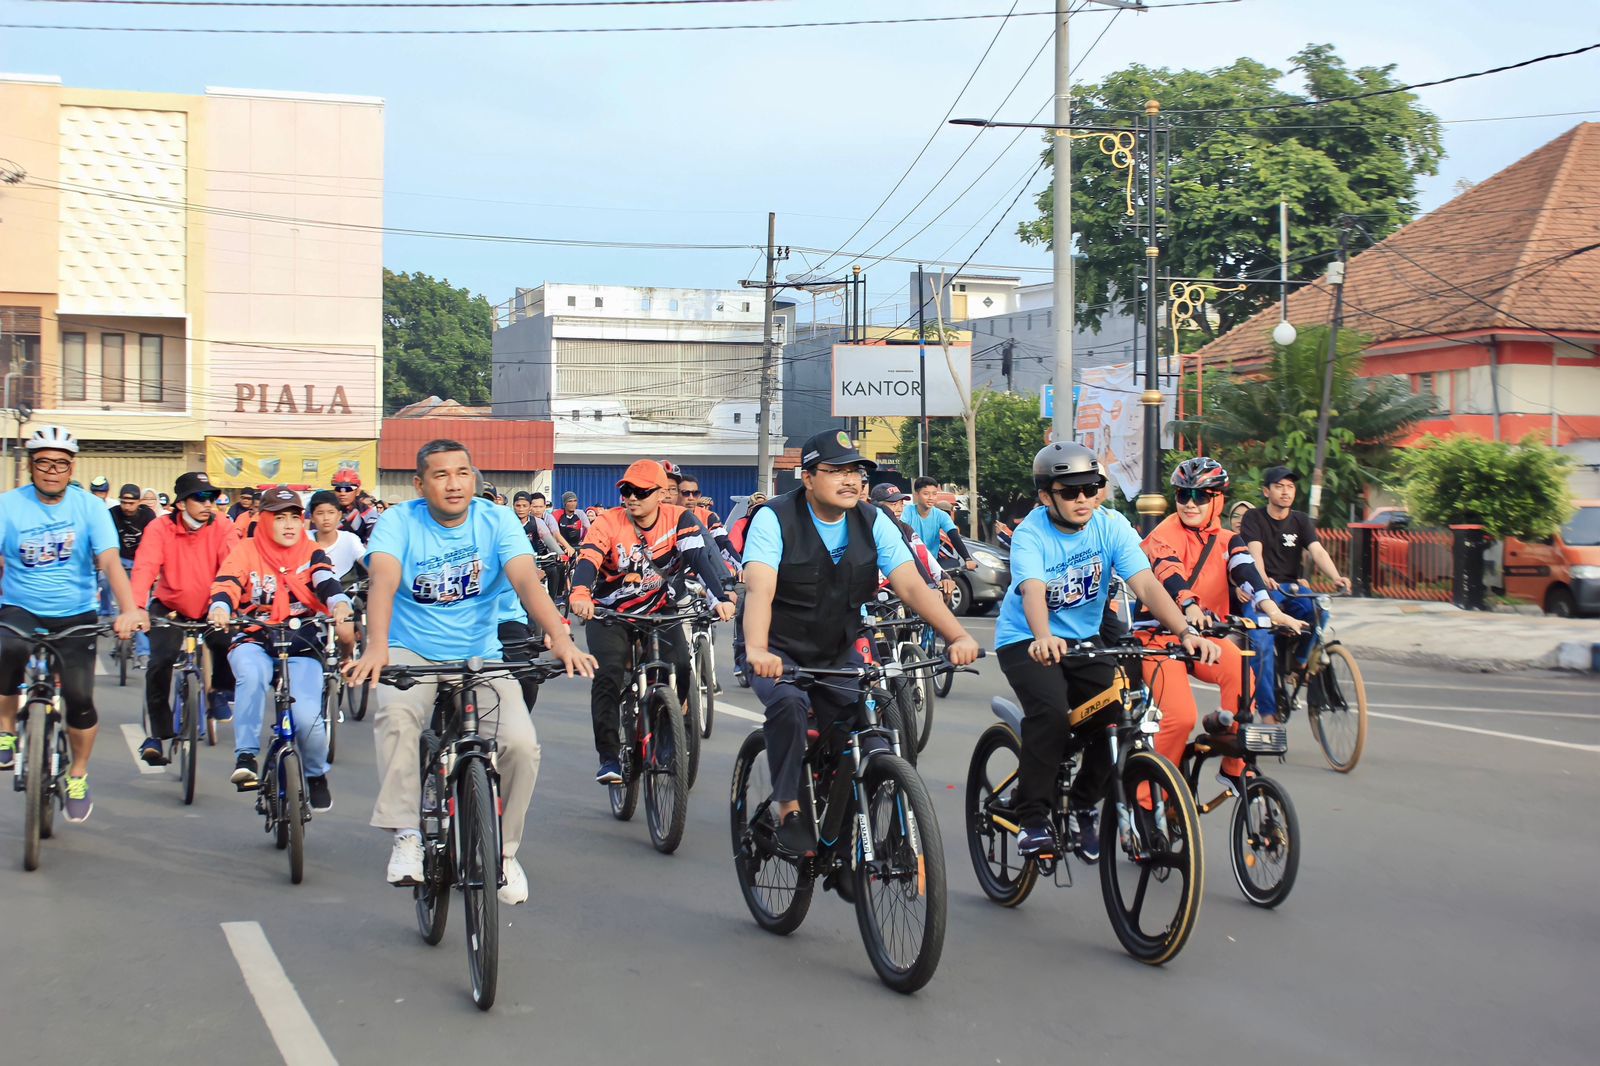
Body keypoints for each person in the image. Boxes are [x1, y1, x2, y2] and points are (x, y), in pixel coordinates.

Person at [346, 440, 594, 905]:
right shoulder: (400, 520)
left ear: (474, 477)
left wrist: (560, 639)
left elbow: (524, 578)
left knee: (521, 743)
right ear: (420, 484)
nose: (454, 483)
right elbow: (383, 580)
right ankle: (406, 835)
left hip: (480, 654)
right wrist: (377, 646)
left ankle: (503, 852)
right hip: (411, 651)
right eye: (440, 475)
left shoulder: (496, 519)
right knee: (397, 717)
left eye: (463, 472)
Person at [741, 432, 980, 857]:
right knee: (789, 706)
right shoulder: (774, 518)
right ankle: (789, 808)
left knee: (870, 737)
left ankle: (849, 844)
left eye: (855, 471)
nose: (850, 480)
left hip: (839, 648)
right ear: (808, 477)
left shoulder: (873, 520)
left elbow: (911, 584)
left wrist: (957, 634)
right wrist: (757, 650)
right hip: (778, 649)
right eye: (836, 471)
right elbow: (760, 589)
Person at [995, 444, 1215, 859]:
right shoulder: (1031, 533)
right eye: (1071, 492)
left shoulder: (1111, 525)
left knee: (1119, 714)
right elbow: (1033, 590)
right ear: (1046, 496)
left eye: (1092, 488)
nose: (1083, 499)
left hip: (1083, 639)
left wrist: (1185, 632)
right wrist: (1042, 635)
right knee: (1051, 714)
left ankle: (1081, 804)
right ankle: (1033, 818)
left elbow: (1147, 584)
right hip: (1027, 639)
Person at [0, 427, 146, 821]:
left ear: (72, 468)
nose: (52, 471)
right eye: (43, 463)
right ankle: (6, 729)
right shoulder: (8, 506)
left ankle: (77, 774)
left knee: (80, 700)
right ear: (32, 467)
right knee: (8, 653)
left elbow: (111, 561)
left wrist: (128, 609)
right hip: (19, 608)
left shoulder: (90, 508)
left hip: (75, 613)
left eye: (60, 464)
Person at [1136, 458, 1304, 792]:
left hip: (1204, 640)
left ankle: (1233, 765)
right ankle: (1151, 796)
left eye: (1201, 495)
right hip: (1158, 638)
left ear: (1218, 500)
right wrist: (1190, 605)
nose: (1190, 503)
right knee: (1181, 717)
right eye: (1183, 495)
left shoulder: (1228, 539)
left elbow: (1247, 572)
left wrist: (1275, 612)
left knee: (1242, 674)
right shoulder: (1162, 534)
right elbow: (1169, 573)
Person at [568, 459, 736, 783]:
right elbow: (588, 558)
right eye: (627, 490)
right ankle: (609, 757)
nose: (632, 497)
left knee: (682, 667)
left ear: (661, 494)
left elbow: (700, 559)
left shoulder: (679, 519)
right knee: (610, 674)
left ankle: (665, 732)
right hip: (610, 614)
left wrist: (721, 599)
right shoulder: (608, 522)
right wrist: (579, 593)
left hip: (659, 610)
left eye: (641, 492)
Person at [209, 487, 351, 810]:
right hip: (255, 637)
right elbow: (228, 582)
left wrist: (339, 601)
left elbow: (325, 580)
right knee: (251, 674)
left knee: (305, 717)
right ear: (265, 520)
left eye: (294, 518)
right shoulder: (246, 549)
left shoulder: (311, 550)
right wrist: (220, 606)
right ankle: (246, 756)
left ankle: (316, 775)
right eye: (279, 518)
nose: (288, 526)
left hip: (300, 642)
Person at [130, 472, 241, 765]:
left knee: (227, 640)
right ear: (181, 503)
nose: (209, 504)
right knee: (160, 661)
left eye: (212, 498)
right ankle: (157, 733)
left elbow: (233, 565)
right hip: (170, 605)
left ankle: (219, 691)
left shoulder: (222, 526)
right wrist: (137, 607)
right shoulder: (160, 528)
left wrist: (229, 602)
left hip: (212, 604)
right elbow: (145, 567)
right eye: (200, 498)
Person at [1237, 466, 1351, 722]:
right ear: (1266, 491)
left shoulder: (1300, 520)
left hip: (1293, 590)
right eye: (1279, 486)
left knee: (1321, 609)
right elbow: (1254, 551)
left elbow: (1317, 551)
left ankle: (1299, 663)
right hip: (1263, 592)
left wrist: (1336, 577)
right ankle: (1267, 712)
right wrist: (1261, 578)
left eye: (1290, 486)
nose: (1285, 491)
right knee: (1262, 646)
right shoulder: (1254, 518)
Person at [109, 483, 156, 665]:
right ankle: (117, 632)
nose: (127, 507)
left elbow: (154, 542)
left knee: (140, 607)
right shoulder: (112, 514)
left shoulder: (148, 516)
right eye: (124, 502)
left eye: (131, 503)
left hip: (141, 563)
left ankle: (144, 651)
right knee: (116, 598)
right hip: (119, 560)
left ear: (139, 502)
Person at [868, 483, 945, 593]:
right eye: (894, 504)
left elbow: (922, 554)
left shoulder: (905, 528)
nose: (899, 509)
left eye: (901, 504)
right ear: (877, 507)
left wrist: (942, 577)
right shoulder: (868, 529)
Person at [907, 476, 978, 577]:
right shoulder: (907, 512)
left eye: (934, 494)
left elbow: (954, 535)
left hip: (932, 563)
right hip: (909, 563)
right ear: (916, 495)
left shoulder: (941, 515)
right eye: (926, 494)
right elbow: (901, 532)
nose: (931, 498)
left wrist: (967, 558)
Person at [678, 473, 742, 577]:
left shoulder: (709, 517)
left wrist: (740, 567)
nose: (691, 498)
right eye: (686, 493)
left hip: (701, 572)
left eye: (695, 493)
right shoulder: (666, 515)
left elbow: (723, 543)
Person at [306, 490, 365, 580]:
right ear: (312, 518)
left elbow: (366, 561)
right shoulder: (305, 538)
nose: (326, 518)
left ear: (339, 515)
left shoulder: (350, 539)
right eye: (320, 513)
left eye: (331, 512)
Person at [332, 469, 379, 544]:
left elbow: (371, 544)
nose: (342, 493)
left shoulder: (368, 514)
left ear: (357, 491)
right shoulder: (327, 511)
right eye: (338, 489)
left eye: (348, 489)